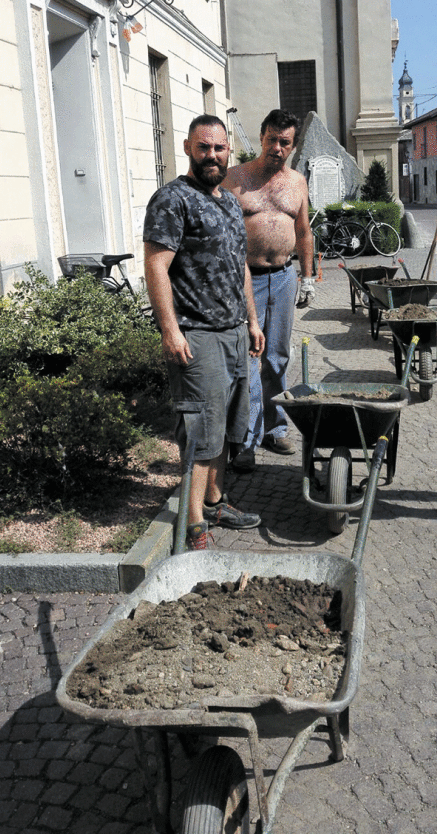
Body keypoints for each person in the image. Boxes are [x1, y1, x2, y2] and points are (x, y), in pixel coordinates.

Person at [143, 115, 265, 550]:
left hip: (232, 332)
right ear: (188, 148)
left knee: (228, 428)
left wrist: (251, 320)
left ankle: (215, 501)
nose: (212, 155)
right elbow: (156, 265)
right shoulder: (172, 200)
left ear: (229, 149)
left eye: (218, 148)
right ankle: (193, 524)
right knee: (200, 431)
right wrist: (170, 330)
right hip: (197, 335)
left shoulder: (230, 202)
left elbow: (240, 267)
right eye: (203, 147)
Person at [222, 109, 314, 472]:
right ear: (261, 137)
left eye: (285, 142)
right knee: (248, 359)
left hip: (284, 277)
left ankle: (274, 429)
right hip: (247, 278)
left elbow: (304, 232)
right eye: (272, 139)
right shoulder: (235, 178)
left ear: (293, 145)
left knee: (277, 357)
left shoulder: (297, 182)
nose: (277, 147)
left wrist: (307, 278)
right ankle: (245, 438)